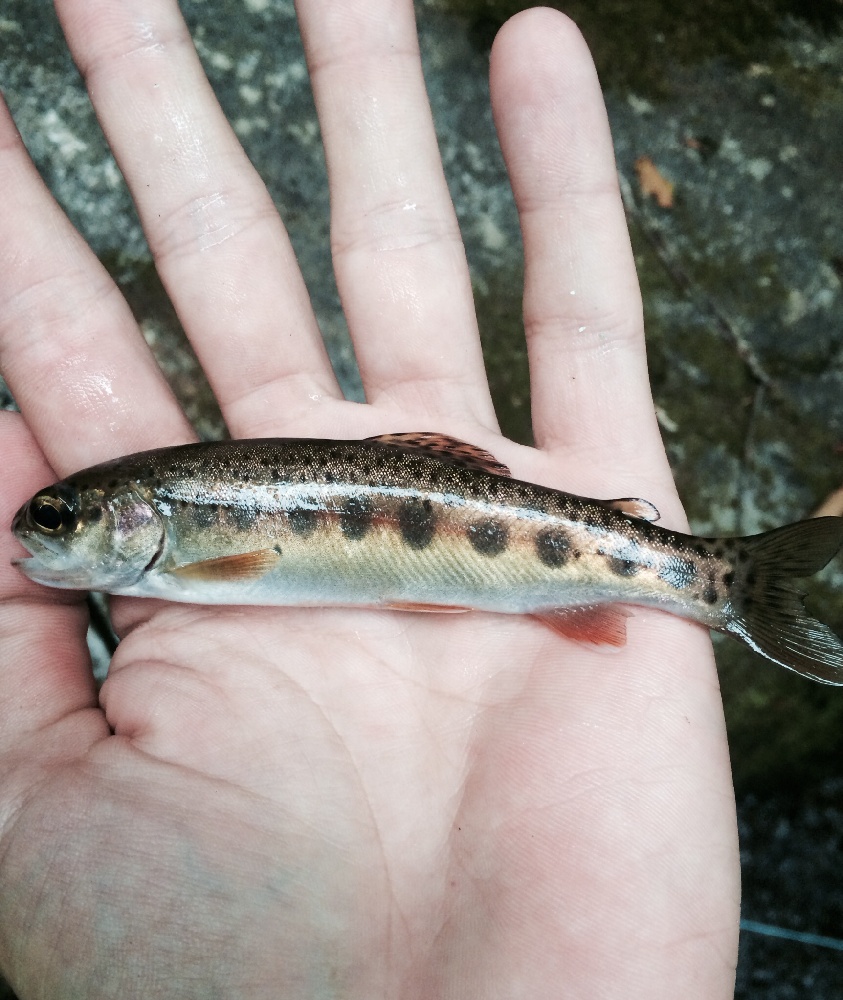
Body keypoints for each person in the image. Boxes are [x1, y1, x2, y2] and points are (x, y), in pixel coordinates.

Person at [0, 2, 740, 997]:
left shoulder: (186, 543)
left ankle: (719, 580)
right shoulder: (173, 522)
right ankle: (707, 576)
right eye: (54, 516)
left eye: (62, 519)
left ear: (133, 519)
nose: (43, 533)